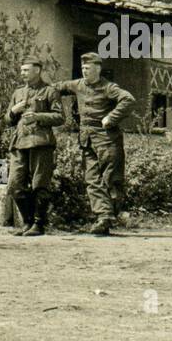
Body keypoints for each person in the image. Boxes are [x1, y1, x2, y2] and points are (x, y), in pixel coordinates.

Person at [52, 53, 136, 236]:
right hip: (87, 140)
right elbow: (56, 88)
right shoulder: (78, 85)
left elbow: (128, 100)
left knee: (111, 179)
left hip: (107, 140)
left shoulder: (108, 87)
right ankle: (104, 216)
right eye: (82, 68)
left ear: (98, 69)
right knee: (92, 179)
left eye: (88, 68)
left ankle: (111, 214)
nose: (84, 71)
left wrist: (111, 118)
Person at [4, 57, 65, 236]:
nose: (22, 73)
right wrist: (14, 111)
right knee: (14, 184)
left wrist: (38, 116)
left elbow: (60, 117)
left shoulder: (49, 91)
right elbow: (7, 121)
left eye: (26, 70)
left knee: (40, 184)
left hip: (41, 142)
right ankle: (27, 221)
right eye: (21, 70)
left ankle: (38, 223)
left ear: (37, 70)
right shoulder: (18, 93)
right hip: (19, 143)